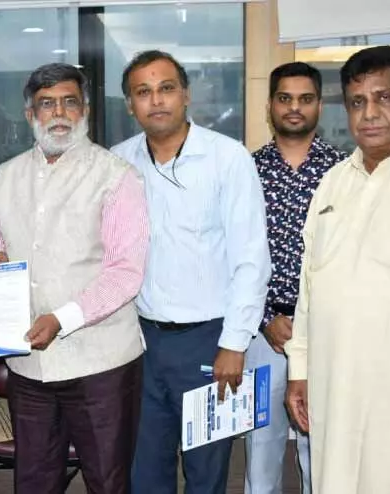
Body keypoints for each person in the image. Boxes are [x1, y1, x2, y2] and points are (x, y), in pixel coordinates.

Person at [0, 63, 149, 493]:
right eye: (47, 104)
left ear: (84, 110)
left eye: (69, 102)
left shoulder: (117, 176)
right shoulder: (7, 175)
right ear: (30, 114)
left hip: (100, 365)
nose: (59, 113)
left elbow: (126, 272)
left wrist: (61, 319)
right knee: (34, 482)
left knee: (107, 482)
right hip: (28, 366)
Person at [285, 45, 390, 493]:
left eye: (384, 98)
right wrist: (299, 370)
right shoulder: (334, 182)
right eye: (357, 102)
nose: (369, 113)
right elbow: (310, 288)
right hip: (334, 394)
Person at [111, 50, 271, 494]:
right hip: (140, 342)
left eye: (166, 88)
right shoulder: (118, 163)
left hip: (209, 341)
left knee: (206, 474)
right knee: (144, 471)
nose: (156, 100)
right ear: (130, 105)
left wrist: (234, 344)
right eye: (143, 92)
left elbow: (251, 259)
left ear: (185, 95)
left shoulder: (227, 157)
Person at [244, 62, 347, 494]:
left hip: (324, 332)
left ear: (319, 105)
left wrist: (312, 321)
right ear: (270, 105)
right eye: (285, 98)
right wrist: (265, 318)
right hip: (263, 332)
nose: (294, 107)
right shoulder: (246, 170)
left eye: (305, 99)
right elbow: (232, 253)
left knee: (319, 445)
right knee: (260, 446)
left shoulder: (344, 171)